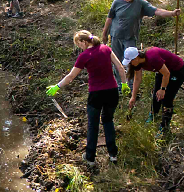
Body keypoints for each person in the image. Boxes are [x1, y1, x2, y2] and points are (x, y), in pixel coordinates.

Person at [45, 31, 129, 168]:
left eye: (79, 44)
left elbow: (71, 77)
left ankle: (90, 157)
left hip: (96, 94)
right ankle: (113, 155)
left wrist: (57, 86)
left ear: (84, 42)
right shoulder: (106, 48)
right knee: (108, 121)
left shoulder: (84, 56)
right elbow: (120, 67)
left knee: (93, 125)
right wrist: (124, 84)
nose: (80, 47)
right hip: (112, 91)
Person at [101, 0, 181, 87]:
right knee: (117, 61)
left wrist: (172, 13)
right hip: (115, 36)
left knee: (132, 61)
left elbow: (156, 11)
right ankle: (120, 85)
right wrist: (104, 33)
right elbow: (109, 18)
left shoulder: (140, 3)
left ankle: (130, 84)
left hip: (130, 37)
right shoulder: (117, 3)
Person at [123, 46, 184, 136]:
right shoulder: (137, 63)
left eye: (130, 61)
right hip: (162, 71)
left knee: (167, 98)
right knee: (156, 94)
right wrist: (133, 97)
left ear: (136, 57)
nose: (130, 64)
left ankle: (164, 127)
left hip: (176, 70)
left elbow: (167, 73)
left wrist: (163, 89)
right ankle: (153, 114)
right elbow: (137, 79)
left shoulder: (152, 57)